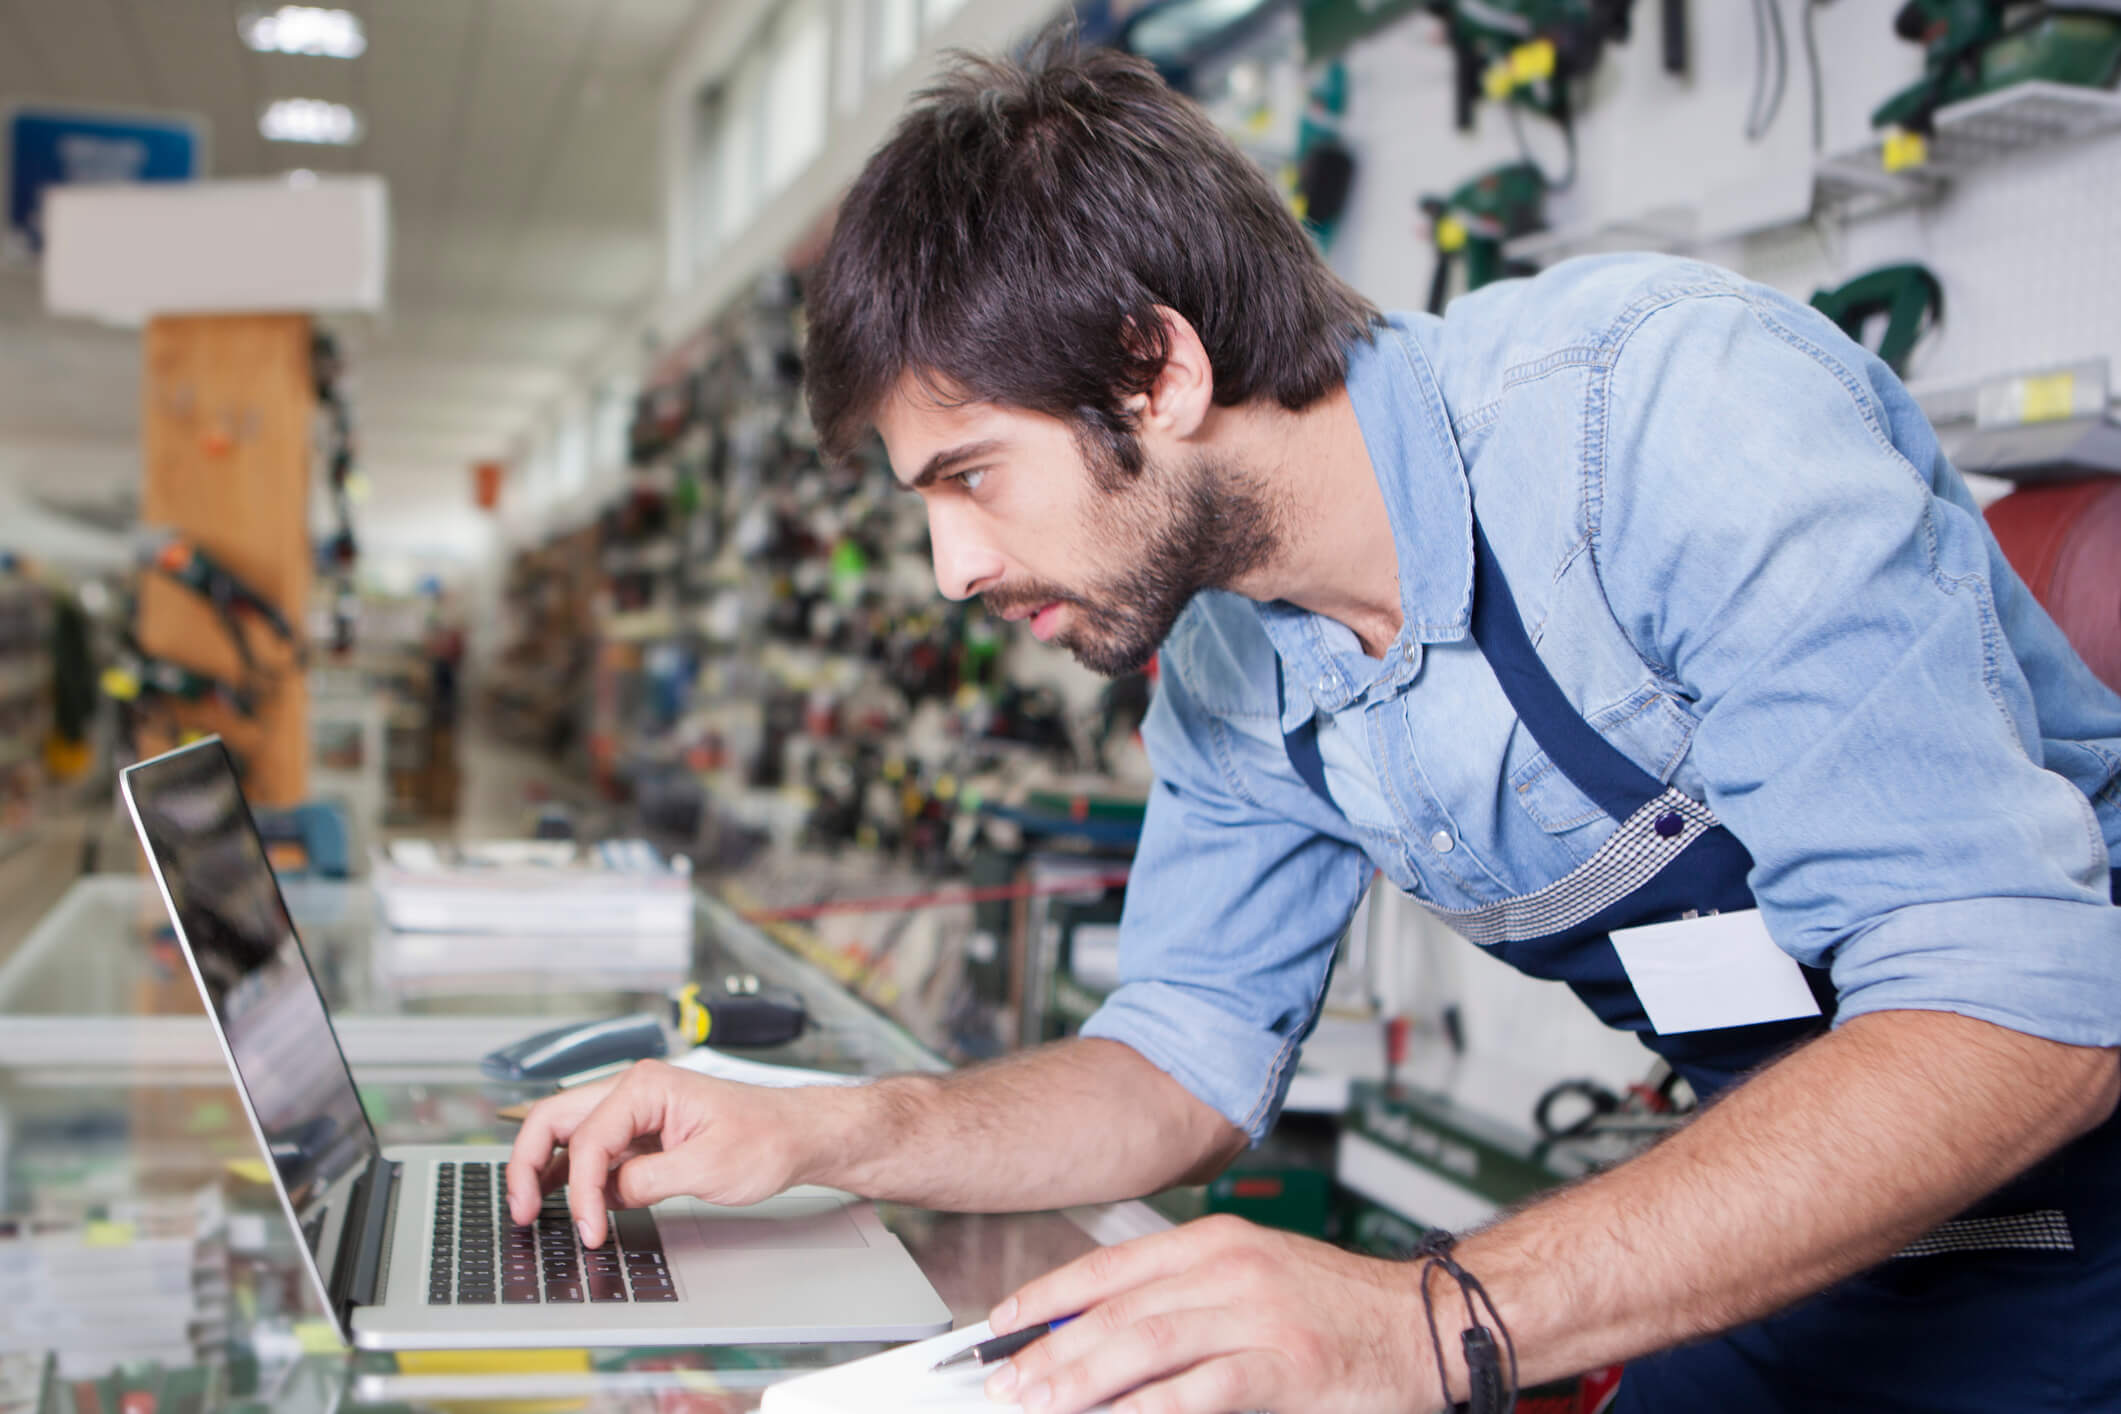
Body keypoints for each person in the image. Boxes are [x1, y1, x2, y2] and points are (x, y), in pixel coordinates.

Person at [508, 34, 2121, 1413]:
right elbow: (1177, 1061)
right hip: (1793, 1198)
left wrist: (1420, 1317)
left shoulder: (1662, 422)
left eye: (970, 475)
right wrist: (831, 1131)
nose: (949, 570)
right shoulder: (1228, 663)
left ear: (1155, 370)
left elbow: (2018, 1018)